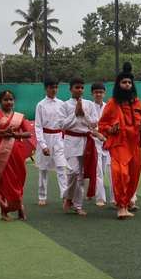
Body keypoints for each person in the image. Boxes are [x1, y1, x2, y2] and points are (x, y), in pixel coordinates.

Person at [99, 62, 141, 219]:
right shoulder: (112, 103)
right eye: (124, 82)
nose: (127, 85)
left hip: (134, 144)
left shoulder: (137, 102)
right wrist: (111, 129)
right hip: (119, 143)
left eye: (129, 82)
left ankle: (126, 203)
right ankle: (121, 206)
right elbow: (102, 125)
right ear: (118, 85)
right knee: (120, 174)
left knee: (133, 175)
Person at [0, 90, 35, 221]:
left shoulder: (19, 117)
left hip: (16, 152)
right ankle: (4, 211)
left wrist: (15, 135)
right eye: (6, 100)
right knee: (3, 181)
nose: (9, 102)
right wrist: (2, 132)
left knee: (17, 180)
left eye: (11, 99)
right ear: (0, 101)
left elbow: (28, 133)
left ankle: (18, 205)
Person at [58, 78, 99, 216]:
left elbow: (94, 123)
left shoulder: (89, 104)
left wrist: (83, 113)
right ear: (71, 89)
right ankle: (68, 197)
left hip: (86, 141)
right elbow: (62, 125)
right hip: (71, 140)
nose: (80, 90)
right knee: (73, 172)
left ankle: (77, 205)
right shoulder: (64, 105)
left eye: (82, 87)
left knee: (81, 176)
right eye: (77, 87)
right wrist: (75, 114)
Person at [33, 78, 68, 206]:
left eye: (56, 87)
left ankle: (65, 196)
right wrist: (43, 145)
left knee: (61, 167)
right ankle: (42, 196)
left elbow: (66, 122)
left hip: (59, 138)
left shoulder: (62, 104)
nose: (54, 90)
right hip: (46, 137)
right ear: (46, 89)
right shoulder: (41, 105)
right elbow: (38, 126)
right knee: (43, 169)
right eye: (51, 87)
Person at [89, 82, 112, 207]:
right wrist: (96, 133)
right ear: (92, 93)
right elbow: (87, 125)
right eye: (96, 92)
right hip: (94, 142)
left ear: (104, 93)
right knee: (98, 171)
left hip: (108, 141)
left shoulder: (108, 106)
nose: (98, 94)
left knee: (110, 171)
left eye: (101, 92)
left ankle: (114, 198)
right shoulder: (88, 107)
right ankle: (100, 198)